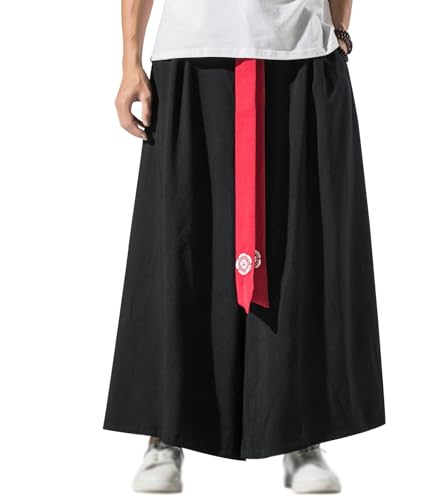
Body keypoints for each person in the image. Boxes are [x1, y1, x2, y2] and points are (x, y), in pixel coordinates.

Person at [103, 0, 385, 494]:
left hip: (299, 49)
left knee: (300, 245)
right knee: (181, 240)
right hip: (193, 48)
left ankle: (302, 432)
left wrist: (338, 30)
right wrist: (130, 61)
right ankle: (164, 433)